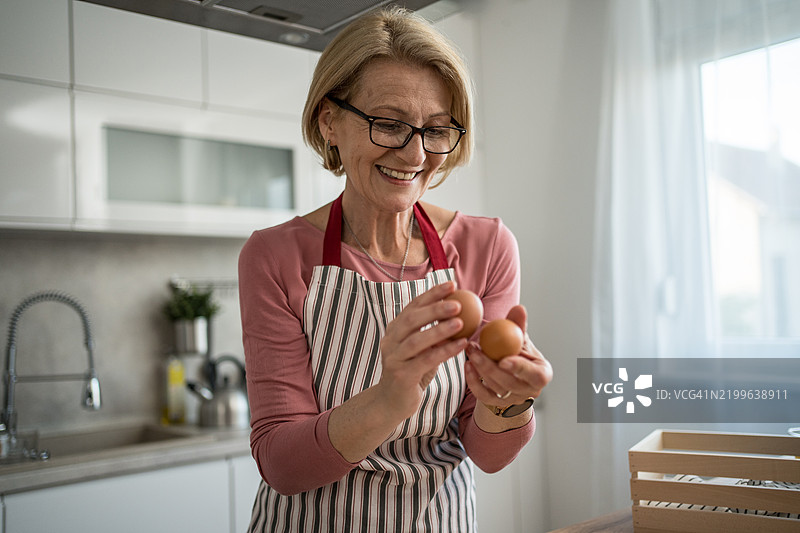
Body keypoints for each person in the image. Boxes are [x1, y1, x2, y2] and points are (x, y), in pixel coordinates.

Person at [238, 7, 553, 532]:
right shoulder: (275, 256)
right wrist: (390, 397)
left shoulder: (486, 247)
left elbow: (489, 455)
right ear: (329, 120)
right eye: (389, 124)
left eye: (436, 130)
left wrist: (510, 403)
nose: (415, 153)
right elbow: (282, 464)